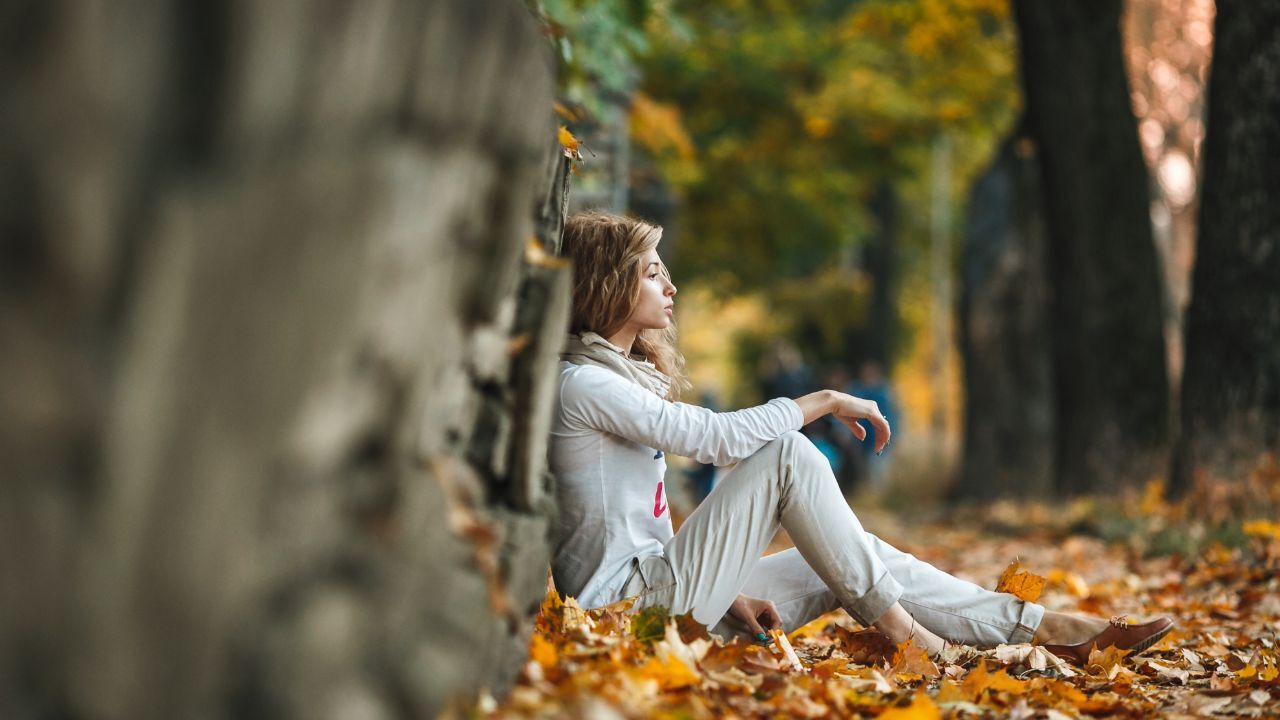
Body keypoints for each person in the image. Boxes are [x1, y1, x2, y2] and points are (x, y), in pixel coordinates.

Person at [547, 210, 1173, 663]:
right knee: (788, 453)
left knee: (852, 554)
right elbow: (716, 439)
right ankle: (912, 638)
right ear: (608, 284)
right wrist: (823, 400)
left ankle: (1048, 630)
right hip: (626, 620)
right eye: (653, 274)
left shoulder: (614, 378)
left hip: (658, 596)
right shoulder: (585, 385)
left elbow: (644, 533)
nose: (670, 287)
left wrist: (730, 595)